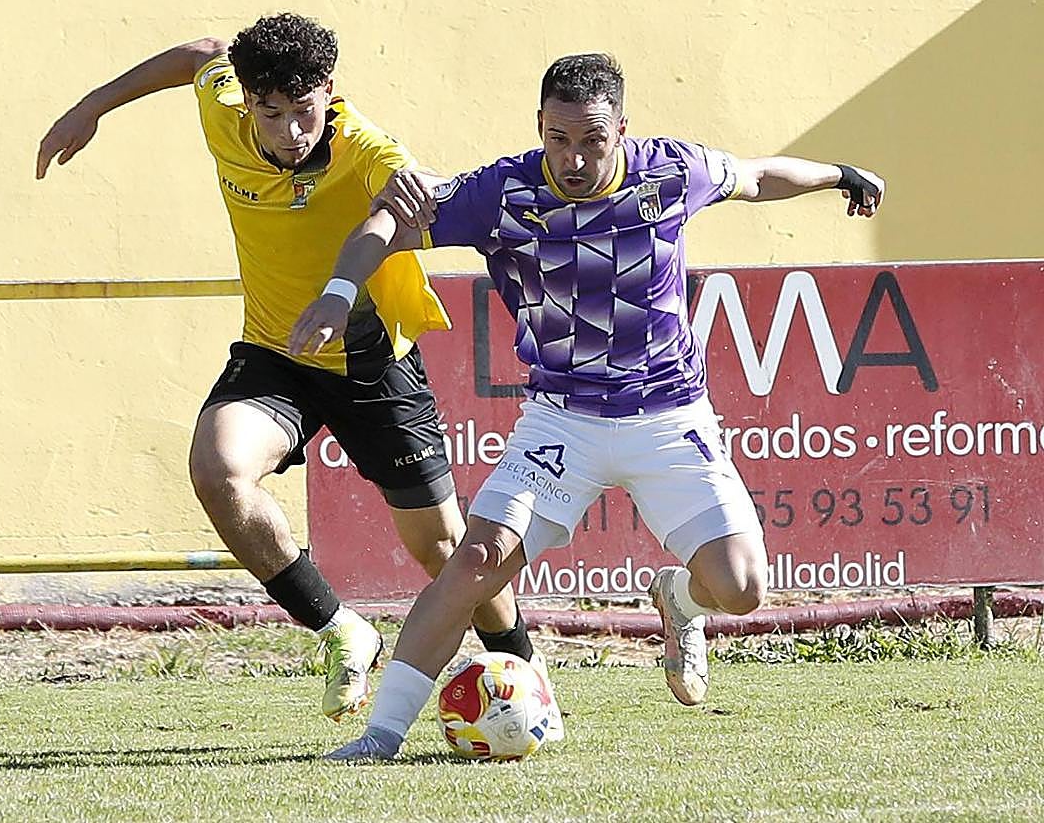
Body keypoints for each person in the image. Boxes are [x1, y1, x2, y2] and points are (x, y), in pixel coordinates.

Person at [289, 52, 885, 759]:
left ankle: (680, 602)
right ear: (540, 127)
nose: (572, 159)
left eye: (591, 140)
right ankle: (380, 737)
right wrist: (337, 291)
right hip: (562, 422)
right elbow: (386, 225)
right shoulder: (501, 192)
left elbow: (756, 177)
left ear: (621, 130)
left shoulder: (671, 172)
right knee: (477, 560)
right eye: (558, 138)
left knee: (745, 589)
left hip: (669, 418)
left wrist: (842, 175)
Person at [35, 13, 554, 726]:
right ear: (247, 101)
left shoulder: (364, 146)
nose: (289, 131)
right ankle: (344, 631)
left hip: (374, 363)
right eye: (271, 113)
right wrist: (89, 107)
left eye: (304, 112)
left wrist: (408, 201)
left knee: (445, 551)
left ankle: (522, 667)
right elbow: (201, 52)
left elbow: (402, 185)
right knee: (218, 471)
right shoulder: (224, 107)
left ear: (329, 93)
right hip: (275, 353)